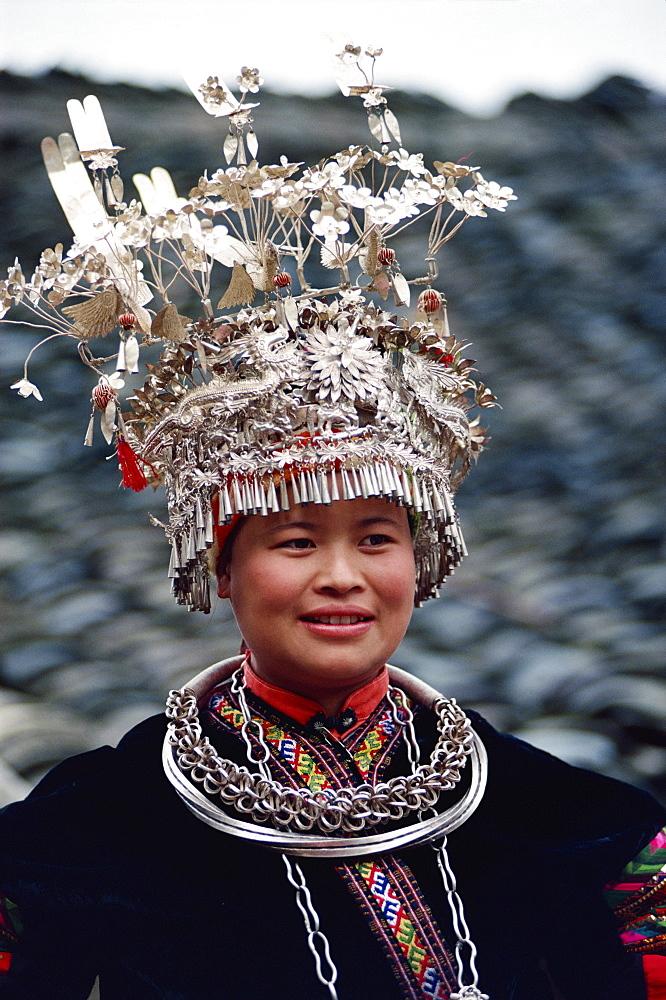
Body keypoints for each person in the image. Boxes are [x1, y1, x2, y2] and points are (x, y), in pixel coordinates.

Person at [1, 46, 665, 1000]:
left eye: (377, 538)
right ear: (220, 568)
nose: (344, 576)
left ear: (421, 559)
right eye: (296, 540)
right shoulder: (87, 836)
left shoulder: (582, 830)